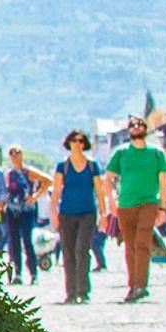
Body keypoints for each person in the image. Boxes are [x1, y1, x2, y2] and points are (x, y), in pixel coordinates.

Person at [105, 115, 166, 302]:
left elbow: (163, 181)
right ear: (129, 130)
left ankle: (141, 285)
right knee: (130, 246)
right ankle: (133, 285)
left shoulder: (157, 153)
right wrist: (112, 202)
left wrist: (163, 208)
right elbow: (107, 180)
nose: (136, 127)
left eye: (139, 125)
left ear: (145, 129)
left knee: (143, 242)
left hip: (149, 203)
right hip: (125, 205)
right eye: (132, 125)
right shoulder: (121, 153)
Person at [49, 129, 108, 304]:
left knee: (82, 250)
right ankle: (71, 291)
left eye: (81, 141)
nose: (77, 144)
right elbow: (57, 190)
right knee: (68, 252)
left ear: (85, 144)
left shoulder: (92, 166)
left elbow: (99, 190)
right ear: (69, 143)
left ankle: (83, 289)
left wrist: (104, 214)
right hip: (66, 214)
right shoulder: (63, 166)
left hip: (87, 214)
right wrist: (53, 213)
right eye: (74, 140)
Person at [0, 145, 48, 284]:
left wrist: (35, 196)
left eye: (17, 153)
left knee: (27, 240)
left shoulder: (28, 171)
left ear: (22, 155)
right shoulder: (8, 173)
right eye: (12, 153)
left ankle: (33, 273)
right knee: (14, 242)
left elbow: (47, 181)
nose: (15, 155)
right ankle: (17, 273)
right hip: (11, 210)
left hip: (26, 210)